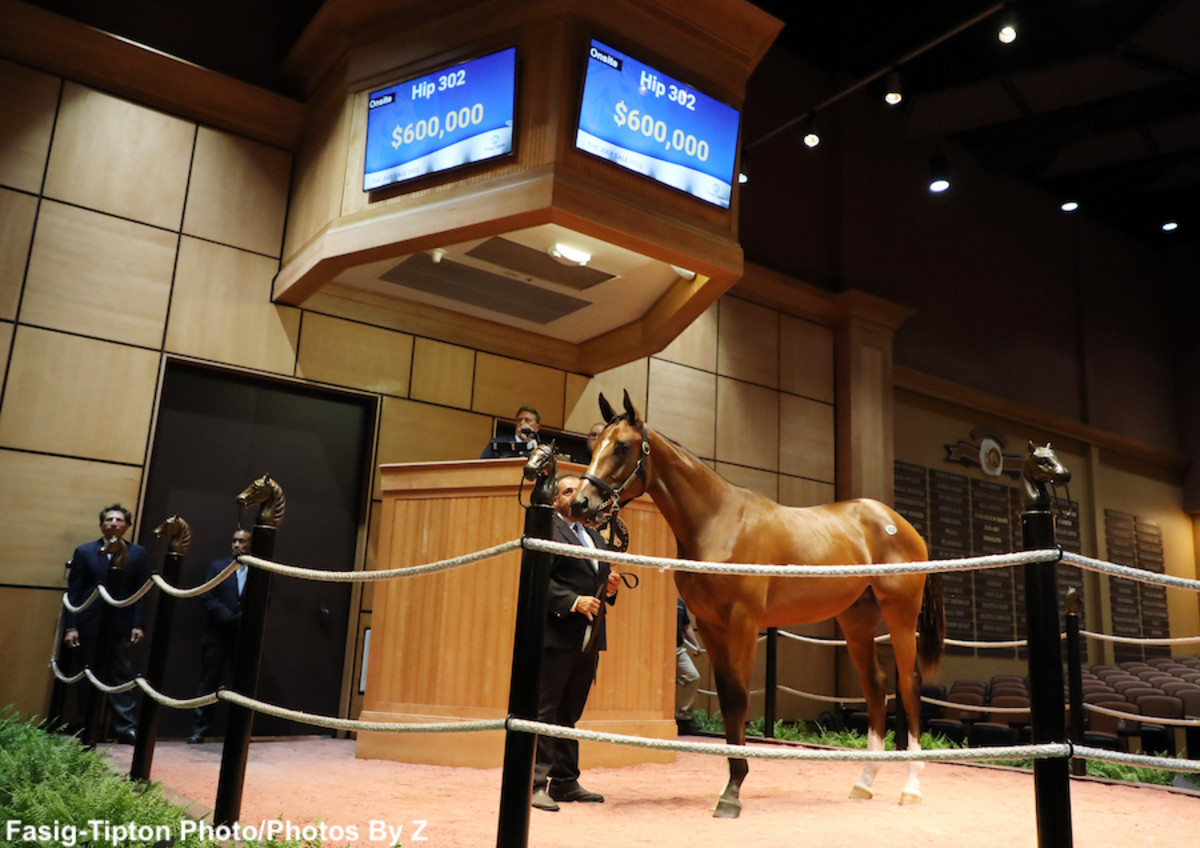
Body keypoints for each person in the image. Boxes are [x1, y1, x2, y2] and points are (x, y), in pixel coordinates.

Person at [532, 474, 621, 812]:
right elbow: (538, 578)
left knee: (571, 710)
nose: (575, 496)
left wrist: (607, 587)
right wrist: (573, 601)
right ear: (555, 500)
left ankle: (565, 782)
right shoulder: (548, 529)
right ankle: (536, 783)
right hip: (556, 633)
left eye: (578, 491)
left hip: (589, 636)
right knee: (546, 711)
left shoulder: (595, 537)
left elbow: (595, 578)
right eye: (568, 491)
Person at [63, 504, 148, 744]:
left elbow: (140, 591)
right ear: (101, 524)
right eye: (108, 519)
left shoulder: (138, 553)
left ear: (127, 526)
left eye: (118, 520)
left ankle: (126, 728)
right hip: (89, 622)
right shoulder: (85, 551)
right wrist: (71, 627)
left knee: (121, 675)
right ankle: (87, 725)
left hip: (121, 624)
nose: (113, 523)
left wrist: (138, 624)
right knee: (87, 674)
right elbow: (74, 591)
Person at [187, 528, 252, 744]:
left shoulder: (259, 569)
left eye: (242, 541)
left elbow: (263, 599)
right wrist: (225, 616)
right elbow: (208, 594)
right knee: (208, 683)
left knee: (242, 685)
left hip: (244, 637)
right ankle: (199, 730)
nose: (237, 545)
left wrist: (241, 618)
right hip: (217, 634)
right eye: (234, 540)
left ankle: (239, 732)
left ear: (250, 544)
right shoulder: (218, 566)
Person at [675, 599, 704, 735]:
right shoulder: (657, 600)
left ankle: (683, 717)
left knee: (693, 676)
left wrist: (696, 644)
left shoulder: (680, 603)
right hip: (658, 650)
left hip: (677, 650)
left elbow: (687, 626)